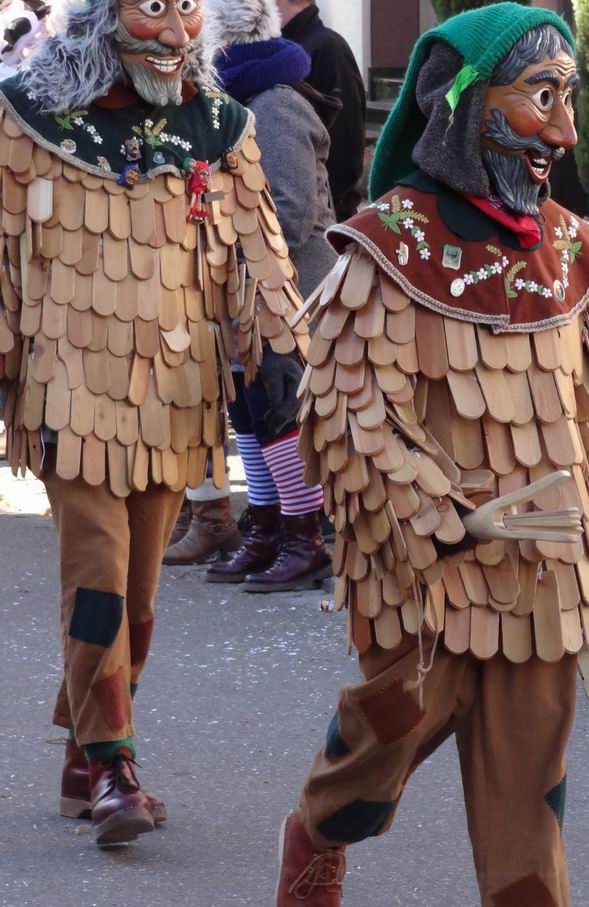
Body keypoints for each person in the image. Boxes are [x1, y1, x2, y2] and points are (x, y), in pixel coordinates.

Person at [275, 6, 589, 905]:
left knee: (531, 792)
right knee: (386, 743)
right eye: (542, 97)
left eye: (568, 98)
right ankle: (314, 836)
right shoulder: (387, 245)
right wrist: (448, 516)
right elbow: (345, 415)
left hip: (544, 582)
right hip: (427, 581)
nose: (566, 132)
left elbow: (583, 414)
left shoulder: (567, 247)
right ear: (457, 102)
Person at [0, 0, 309, 845]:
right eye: (151, 11)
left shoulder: (220, 126)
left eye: (186, 12)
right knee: (96, 569)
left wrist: (279, 351)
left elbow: (260, 247)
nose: (175, 34)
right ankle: (113, 767)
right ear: (103, 17)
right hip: (69, 382)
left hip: (176, 391)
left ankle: (79, 744)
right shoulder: (28, 119)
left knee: (138, 594)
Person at [168, 0, 335, 589]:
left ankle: (304, 535)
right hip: (242, 289)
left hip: (286, 290)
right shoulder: (230, 102)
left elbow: (287, 214)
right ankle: (266, 529)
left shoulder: (276, 103)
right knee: (249, 410)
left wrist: (220, 251)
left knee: (280, 409)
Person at [277, 0, 366, 221]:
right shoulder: (279, 51)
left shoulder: (327, 47)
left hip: (321, 219)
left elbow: (346, 143)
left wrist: (328, 210)